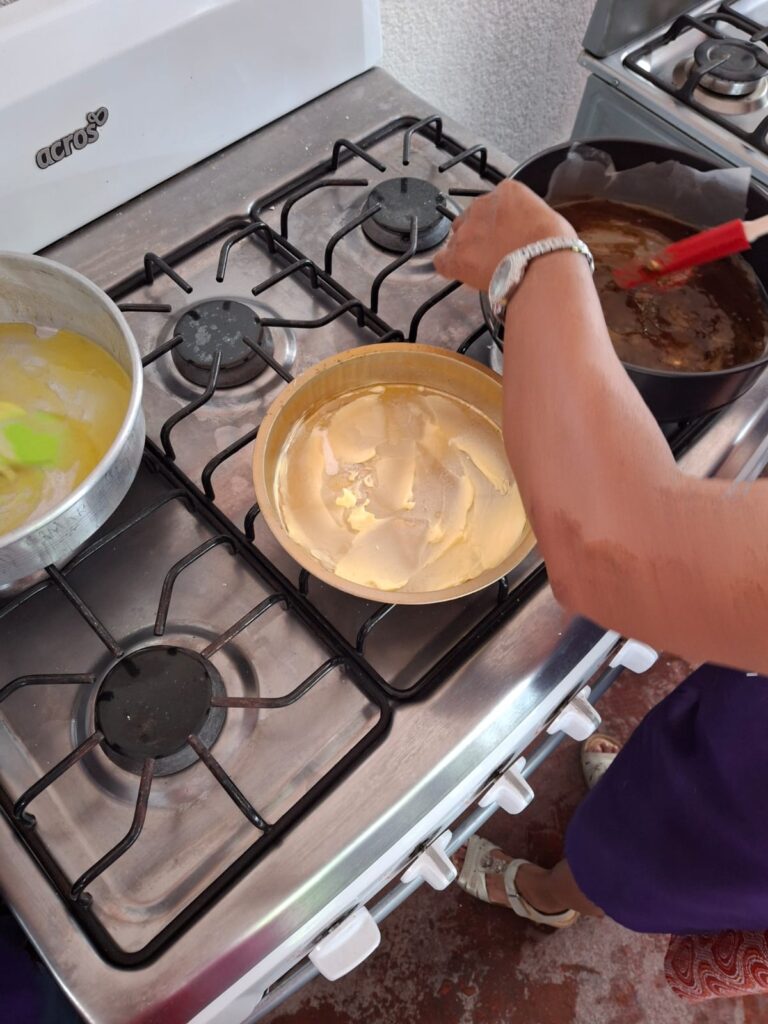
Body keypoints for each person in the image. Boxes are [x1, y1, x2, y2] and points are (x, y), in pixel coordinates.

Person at [433, 181, 768, 935]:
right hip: (750, 712)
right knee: (676, 762)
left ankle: (553, 897)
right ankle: (629, 803)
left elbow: (605, 551)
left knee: (652, 858)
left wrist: (540, 259)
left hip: (751, 824)